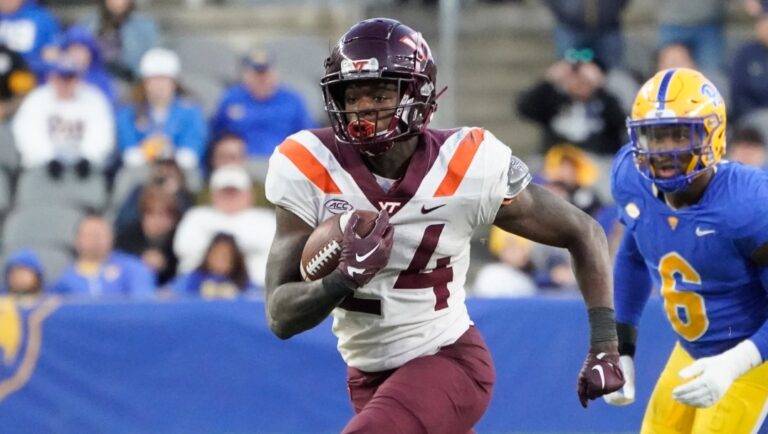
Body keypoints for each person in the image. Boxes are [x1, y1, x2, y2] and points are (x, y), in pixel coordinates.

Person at [264, 18, 624, 432]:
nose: (364, 109)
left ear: (418, 95)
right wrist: (341, 280)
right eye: (353, 94)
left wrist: (605, 346)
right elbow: (280, 316)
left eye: (380, 93)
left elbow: (584, 231)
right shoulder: (307, 163)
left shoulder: (467, 163)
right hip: (368, 378)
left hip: (448, 359)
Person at [604, 68, 768, 433]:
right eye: (653, 137)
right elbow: (633, 252)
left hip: (755, 355)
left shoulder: (749, 204)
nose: (664, 151)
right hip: (692, 351)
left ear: (713, 134)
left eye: (679, 134)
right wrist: (624, 348)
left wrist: (735, 363)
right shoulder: (631, 178)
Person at [12, 55, 115, 177]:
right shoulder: (36, 99)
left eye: (69, 78)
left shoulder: (94, 98)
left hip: (85, 169)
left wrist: (88, 157)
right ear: (51, 78)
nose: (65, 83)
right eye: (60, 77)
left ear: (78, 78)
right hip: (41, 167)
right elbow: (26, 134)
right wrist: (47, 157)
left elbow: (103, 134)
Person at [209, 47, 317, 158]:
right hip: (242, 164)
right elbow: (215, 137)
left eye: (266, 73)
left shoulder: (292, 100)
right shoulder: (231, 99)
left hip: (283, 162)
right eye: (256, 74)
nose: (262, 79)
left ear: (275, 73)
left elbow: (308, 137)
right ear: (245, 75)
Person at [118, 47, 207, 170]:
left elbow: (190, 155)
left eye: (164, 80)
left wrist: (167, 153)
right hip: (142, 171)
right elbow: (130, 155)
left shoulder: (191, 111)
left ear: (174, 82)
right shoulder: (129, 112)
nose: (159, 86)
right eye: (154, 80)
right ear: (144, 83)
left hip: (179, 171)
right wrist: (151, 151)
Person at [51, 214, 155, 298]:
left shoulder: (133, 268)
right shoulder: (66, 279)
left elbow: (143, 302)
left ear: (112, 237)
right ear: (77, 240)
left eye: (100, 234)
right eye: (90, 235)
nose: (95, 240)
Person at [78, 0, 159, 82]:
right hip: (94, 80)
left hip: (130, 81)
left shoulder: (144, 26)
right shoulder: (90, 23)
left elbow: (150, 60)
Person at [170, 232, 259, 299]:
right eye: (216, 256)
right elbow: (169, 293)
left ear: (235, 260)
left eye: (225, 257)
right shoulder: (195, 277)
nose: (220, 261)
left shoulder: (242, 281)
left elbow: (257, 297)